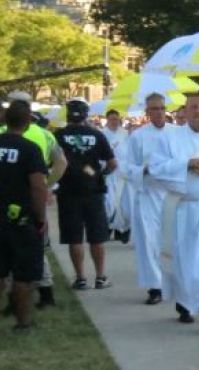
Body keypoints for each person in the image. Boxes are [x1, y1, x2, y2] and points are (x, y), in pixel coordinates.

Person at [148, 93, 199, 331]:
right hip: (182, 208)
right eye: (193, 107)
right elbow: (156, 168)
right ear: (184, 111)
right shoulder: (170, 138)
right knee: (184, 261)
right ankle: (185, 303)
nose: (198, 111)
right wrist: (187, 164)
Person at [54, 99, 116, 290]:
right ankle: (100, 276)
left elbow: (52, 162)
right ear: (85, 115)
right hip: (93, 190)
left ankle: (81, 278)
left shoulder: (58, 135)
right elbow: (113, 163)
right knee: (96, 236)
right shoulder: (96, 135)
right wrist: (101, 175)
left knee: (74, 237)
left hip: (67, 191)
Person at [0, 101, 48, 331]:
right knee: (23, 274)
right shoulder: (29, 149)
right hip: (20, 219)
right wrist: (40, 217)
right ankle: (23, 322)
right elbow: (38, 185)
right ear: (28, 121)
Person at [125, 94, 174, 305]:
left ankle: (175, 283)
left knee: (173, 241)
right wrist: (142, 170)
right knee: (149, 241)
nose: (159, 112)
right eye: (154, 108)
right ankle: (155, 286)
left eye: (162, 108)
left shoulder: (176, 134)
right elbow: (127, 167)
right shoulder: (138, 137)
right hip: (148, 194)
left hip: (172, 194)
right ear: (147, 112)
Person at [101, 109, 132, 243]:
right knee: (109, 204)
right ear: (107, 120)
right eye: (112, 119)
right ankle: (107, 229)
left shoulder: (126, 134)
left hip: (123, 175)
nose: (115, 122)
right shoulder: (101, 135)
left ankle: (123, 232)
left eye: (116, 119)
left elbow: (130, 153)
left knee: (125, 206)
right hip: (109, 174)